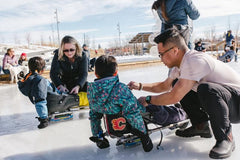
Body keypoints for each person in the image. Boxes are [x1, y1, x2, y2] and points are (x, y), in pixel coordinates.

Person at [128, 28, 240, 159]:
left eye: (161, 54)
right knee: (178, 83)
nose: (160, 59)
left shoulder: (194, 61)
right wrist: (140, 86)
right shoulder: (179, 66)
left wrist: (148, 99)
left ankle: (226, 138)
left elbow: (174, 96)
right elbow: (165, 86)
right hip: (223, 102)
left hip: (236, 103)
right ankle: (201, 125)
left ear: (175, 50)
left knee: (206, 89)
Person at [87, 55, 153, 152]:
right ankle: (178, 113)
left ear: (96, 74)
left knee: (95, 113)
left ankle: (100, 138)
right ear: (116, 72)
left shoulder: (91, 91)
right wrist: (144, 135)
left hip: (113, 122)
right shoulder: (120, 88)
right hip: (134, 120)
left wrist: (96, 134)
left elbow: (94, 115)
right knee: (153, 106)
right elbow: (132, 113)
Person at [18, 57, 55, 129]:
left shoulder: (28, 77)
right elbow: (40, 100)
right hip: (55, 94)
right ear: (41, 69)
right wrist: (44, 119)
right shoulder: (39, 80)